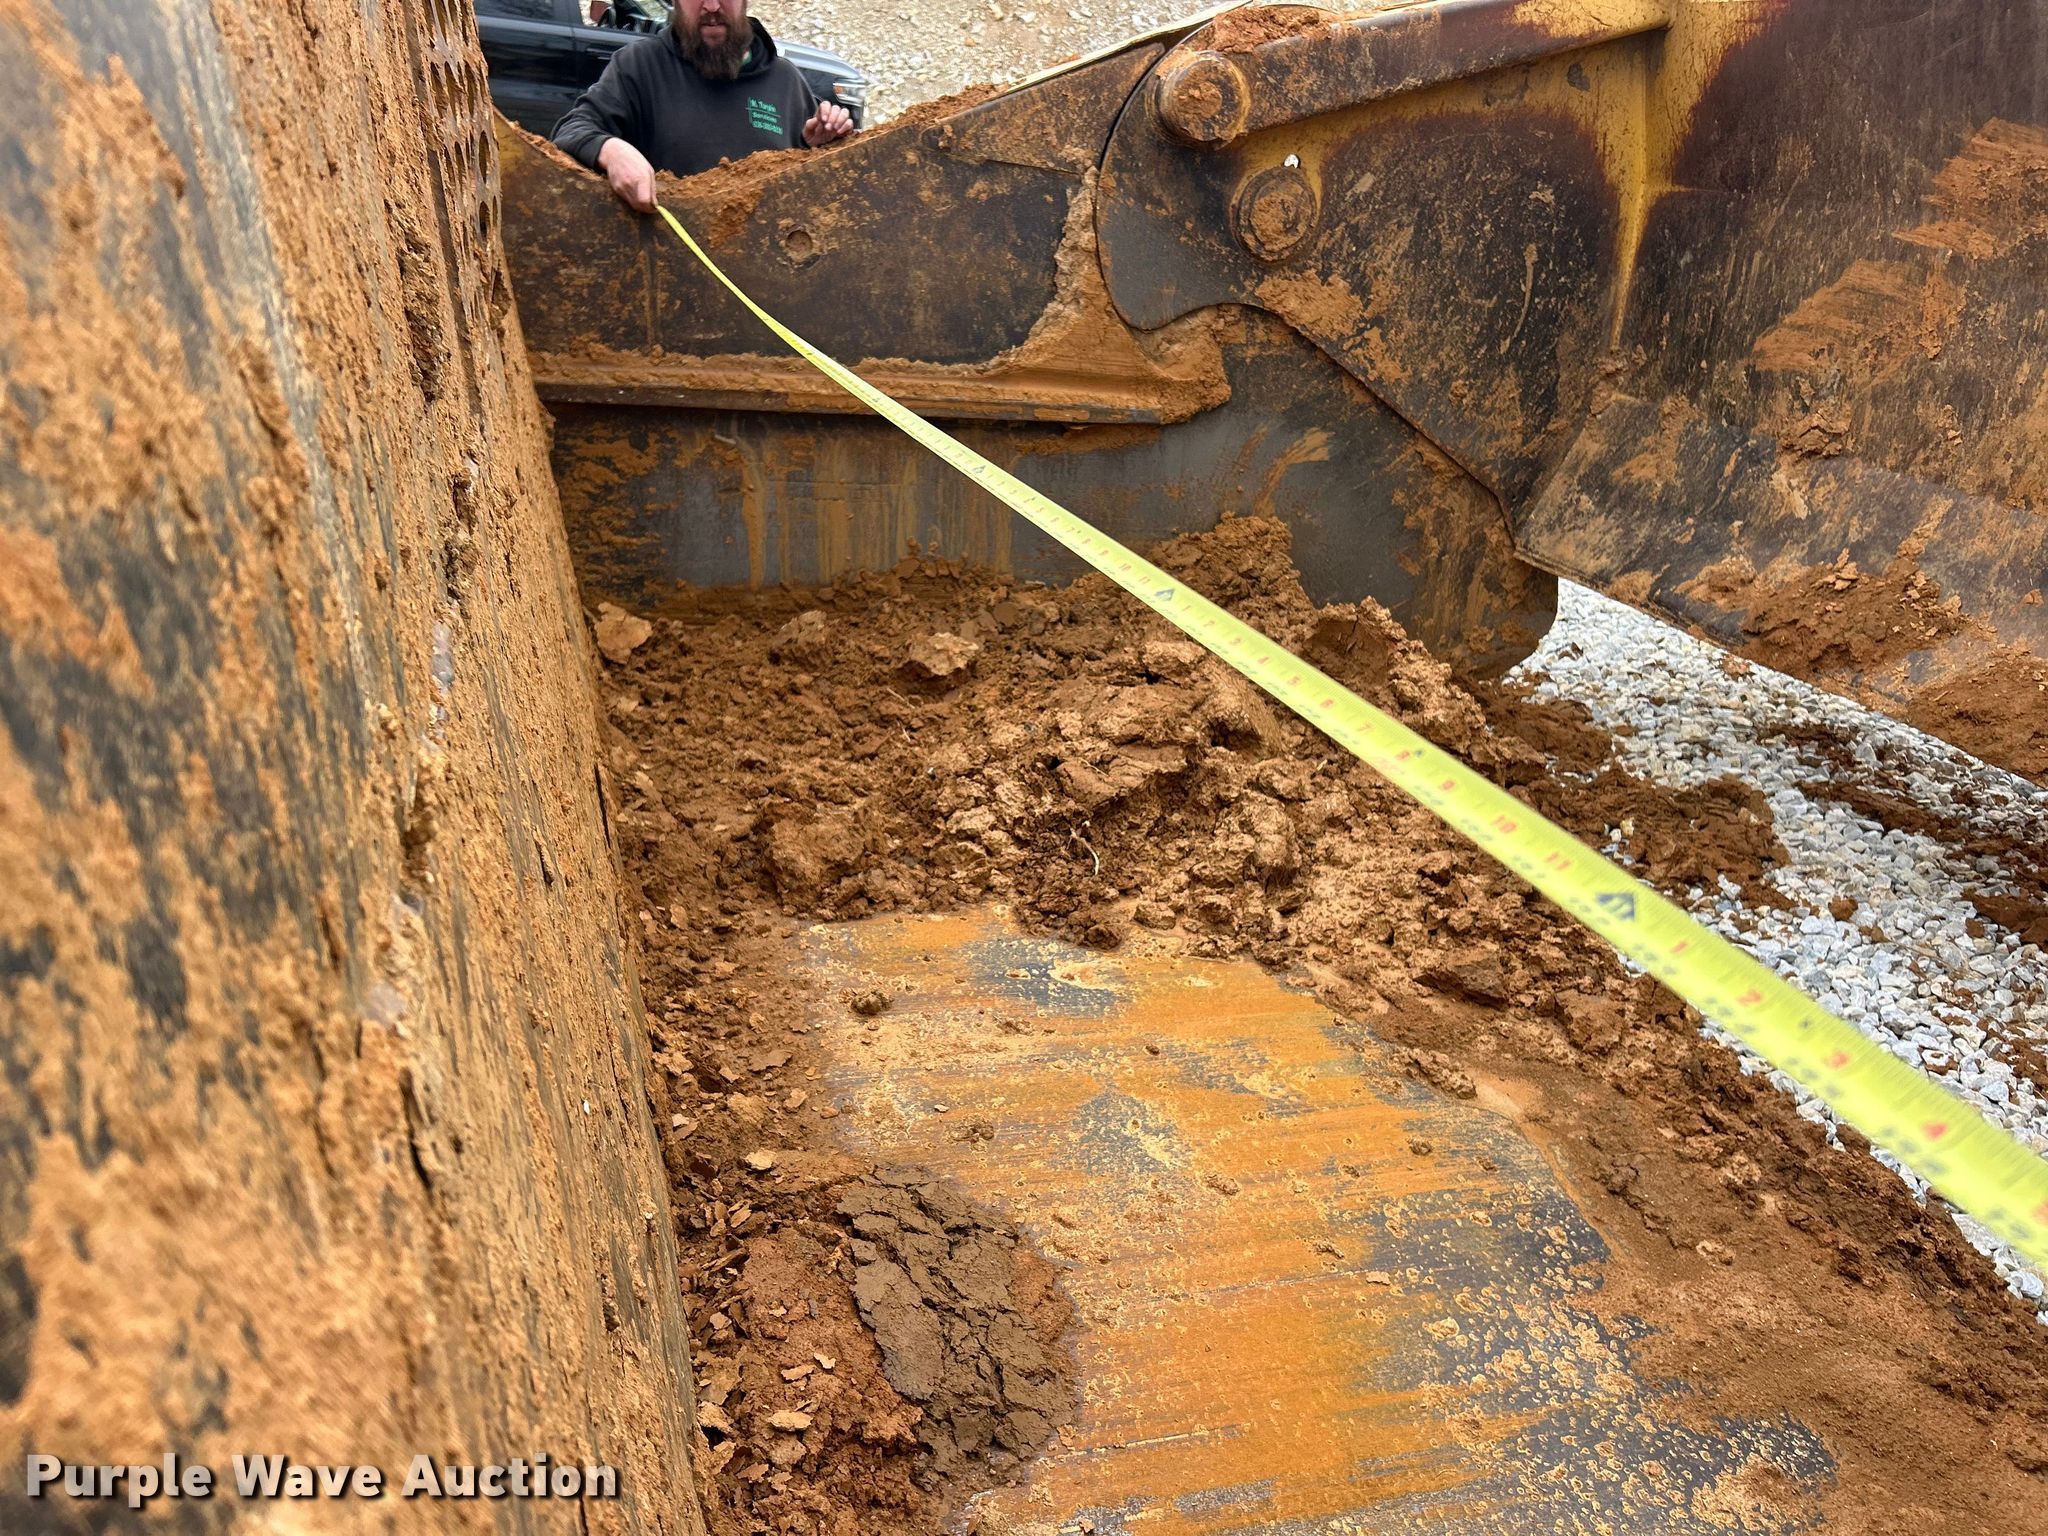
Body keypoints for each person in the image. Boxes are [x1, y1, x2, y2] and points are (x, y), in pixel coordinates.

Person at [552, 0, 855, 212]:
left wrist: (820, 143)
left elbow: (818, 193)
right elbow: (571, 131)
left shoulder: (785, 80)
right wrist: (611, 151)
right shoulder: (640, 66)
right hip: (670, 269)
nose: (711, 6)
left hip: (761, 275)